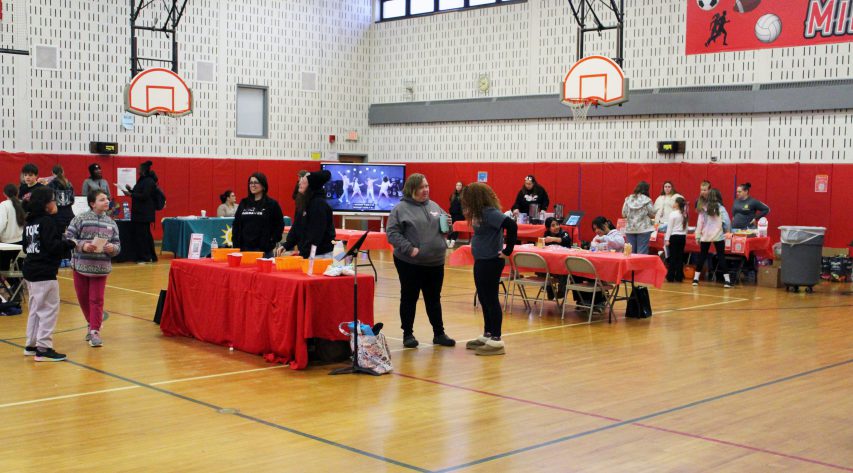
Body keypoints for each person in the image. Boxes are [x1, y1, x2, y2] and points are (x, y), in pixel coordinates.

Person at [386, 173, 455, 349]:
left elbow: (444, 229)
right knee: (409, 297)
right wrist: (410, 249)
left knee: (434, 299)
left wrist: (449, 224)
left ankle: (439, 334)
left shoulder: (434, 206)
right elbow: (392, 234)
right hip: (410, 263)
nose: (426, 190)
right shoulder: (400, 209)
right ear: (412, 189)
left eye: (427, 186)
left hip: (435, 262)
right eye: (422, 187)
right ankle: (407, 334)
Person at [461, 182, 516, 356]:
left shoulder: (490, 213)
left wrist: (508, 250)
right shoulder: (479, 213)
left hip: (491, 261)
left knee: (491, 299)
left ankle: (497, 340)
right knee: (483, 298)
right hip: (481, 260)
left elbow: (512, 226)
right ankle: (488, 334)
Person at [22, 187, 76, 361]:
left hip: (31, 270)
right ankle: (44, 348)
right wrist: (70, 243)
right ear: (46, 205)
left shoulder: (30, 222)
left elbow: (25, 247)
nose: (56, 203)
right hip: (44, 272)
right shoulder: (47, 221)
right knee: (48, 310)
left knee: (36, 309)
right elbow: (53, 247)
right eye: (53, 200)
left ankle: (31, 344)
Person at [64, 190, 121, 348]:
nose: (107, 201)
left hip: (101, 268)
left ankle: (95, 331)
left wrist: (112, 248)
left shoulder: (111, 223)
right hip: (80, 266)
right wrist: (84, 245)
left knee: (96, 299)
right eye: (102, 199)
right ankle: (91, 323)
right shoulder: (80, 219)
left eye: (107, 199)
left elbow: (118, 246)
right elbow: (68, 237)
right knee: (83, 299)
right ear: (92, 203)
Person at [278, 171, 335, 259]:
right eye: (300, 180)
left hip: (320, 255)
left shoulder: (318, 205)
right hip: (308, 253)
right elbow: (296, 227)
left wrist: (303, 254)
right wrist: (286, 245)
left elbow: (315, 235)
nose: (299, 183)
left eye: (304, 182)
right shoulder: (304, 202)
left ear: (311, 186)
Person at [232, 173, 284, 257]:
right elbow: (236, 224)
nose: (253, 185)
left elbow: (279, 225)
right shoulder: (243, 203)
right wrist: (236, 243)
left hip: (263, 251)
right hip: (243, 249)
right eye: (251, 183)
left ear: (263, 186)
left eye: (256, 182)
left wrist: (271, 241)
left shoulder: (272, 204)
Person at [693, 188, 732, 288]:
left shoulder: (703, 208)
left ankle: (696, 279)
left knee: (702, 256)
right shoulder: (721, 208)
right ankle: (727, 281)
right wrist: (727, 231)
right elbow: (727, 221)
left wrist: (697, 235)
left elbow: (699, 223)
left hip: (705, 235)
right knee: (721, 256)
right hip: (718, 235)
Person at [122, 161, 158, 263]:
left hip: (144, 214)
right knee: (145, 235)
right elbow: (139, 193)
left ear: (144, 170)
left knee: (143, 237)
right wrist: (131, 190)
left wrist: (130, 194)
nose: (138, 170)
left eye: (139, 169)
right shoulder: (142, 180)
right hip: (139, 213)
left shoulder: (149, 181)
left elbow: (145, 196)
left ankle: (145, 257)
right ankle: (151, 256)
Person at [48, 165, 75, 266]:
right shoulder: (69, 183)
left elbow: (50, 199)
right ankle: (69, 258)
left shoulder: (51, 184)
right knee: (71, 236)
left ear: (52, 173)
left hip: (58, 213)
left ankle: (60, 259)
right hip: (69, 212)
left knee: (58, 237)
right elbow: (72, 200)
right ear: (63, 172)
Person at [622, 181, 656, 255]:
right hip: (644, 228)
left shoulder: (628, 199)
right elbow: (653, 214)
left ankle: (630, 267)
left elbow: (624, 214)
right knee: (642, 253)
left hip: (630, 228)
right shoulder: (647, 200)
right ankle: (640, 266)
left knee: (630, 253)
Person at [542, 216, 572, 300]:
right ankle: (549, 289)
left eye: (557, 224)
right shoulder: (546, 234)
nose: (556, 227)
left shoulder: (564, 233)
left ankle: (561, 291)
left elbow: (567, 240)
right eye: (553, 225)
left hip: (562, 264)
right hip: (550, 264)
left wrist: (553, 239)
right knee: (541, 270)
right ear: (548, 228)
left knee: (563, 273)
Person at [0, 184, 25, 271]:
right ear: (17, 192)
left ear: (4, 194)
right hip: (21, 243)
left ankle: (12, 284)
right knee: (18, 269)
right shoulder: (22, 204)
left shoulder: (4, 205)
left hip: (7, 244)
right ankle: (18, 284)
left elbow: (1, 224)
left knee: (3, 270)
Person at [664, 197, 688, 283]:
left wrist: (667, 239)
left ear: (677, 204)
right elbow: (686, 228)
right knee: (680, 257)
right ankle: (679, 276)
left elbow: (669, 228)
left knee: (673, 257)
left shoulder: (673, 214)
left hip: (674, 236)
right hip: (682, 237)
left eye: (675, 202)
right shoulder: (684, 214)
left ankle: (670, 276)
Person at [447, 181, 465, 247]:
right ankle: (448, 240)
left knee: (456, 227)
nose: (458, 186)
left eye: (460, 185)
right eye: (457, 185)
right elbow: (451, 204)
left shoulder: (463, 195)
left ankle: (453, 241)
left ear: (462, 187)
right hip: (453, 214)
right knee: (451, 227)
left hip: (460, 215)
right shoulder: (453, 195)